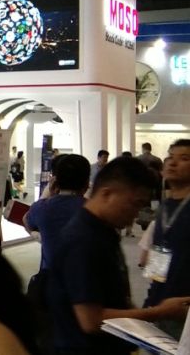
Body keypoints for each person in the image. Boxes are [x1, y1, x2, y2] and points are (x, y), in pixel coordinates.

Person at [48, 156, 190, 354]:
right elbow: (91, 320)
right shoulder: (83, 240)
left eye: (184, 158)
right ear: (107, 194)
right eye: (135, 204)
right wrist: (160, 310)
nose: (136, 213)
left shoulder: (104, 231)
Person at [144, 139, 190, 336]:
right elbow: (158, 257)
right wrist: (151, 302)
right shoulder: (165, 207)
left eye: (184, 158)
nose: (172, 163)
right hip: (162, 308)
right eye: (170, 157)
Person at [24, 154, 89, 271]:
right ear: (86, 184)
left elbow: (26, 220)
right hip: (85, 276)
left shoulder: (42, 208)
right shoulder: (95, 209)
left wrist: (38, 236)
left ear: (55, 180)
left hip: (50, 276)